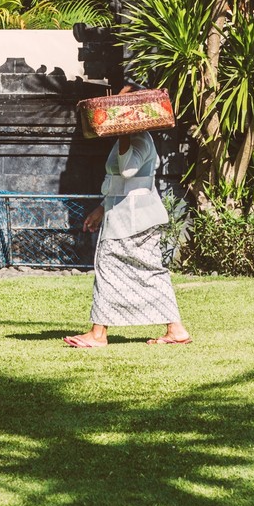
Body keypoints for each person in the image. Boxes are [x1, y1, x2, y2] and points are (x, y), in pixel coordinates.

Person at [64, 129, 191, 348]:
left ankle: (98, 334)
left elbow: (128, 170)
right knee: (149, 271)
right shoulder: (130, 139)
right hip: (127, 215)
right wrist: (102, 209)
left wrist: (123, 136)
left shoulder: (139, 138)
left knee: (108, 266)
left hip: (133, 219)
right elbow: (121, 183)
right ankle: (176, 329)